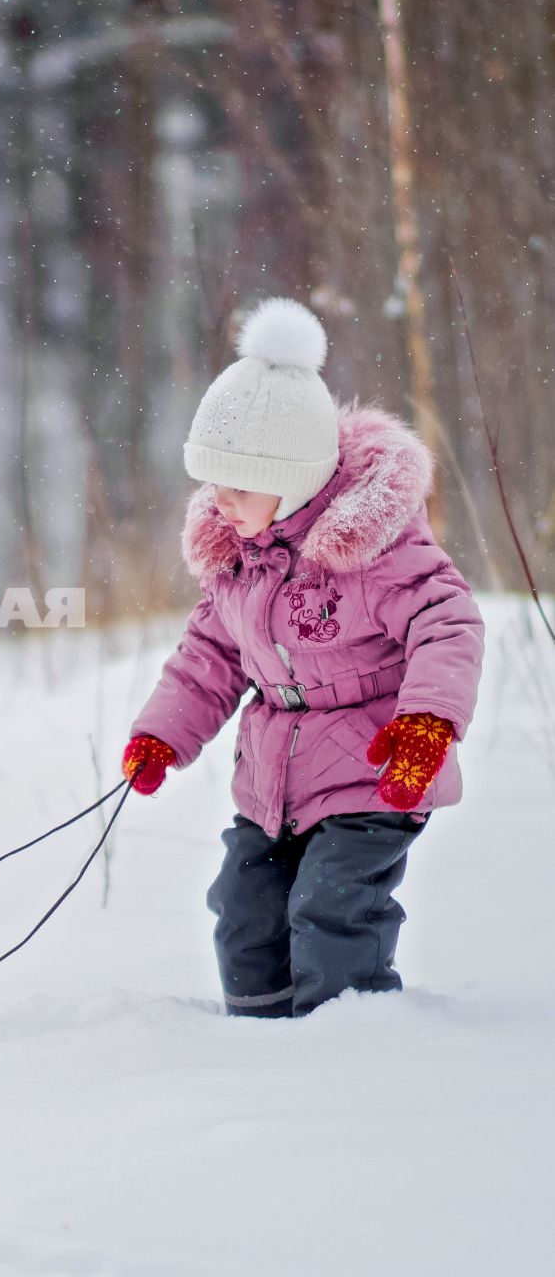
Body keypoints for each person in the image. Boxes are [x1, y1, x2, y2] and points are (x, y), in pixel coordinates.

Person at [121, 297, 485, 1018]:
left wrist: (426, 725)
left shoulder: (376, 552)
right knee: (243, 907)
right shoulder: (239, 564)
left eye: (239, 486)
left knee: (330, 907)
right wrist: (162, 734)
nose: (219, 502)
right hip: (273, 780)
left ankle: (344, 1042)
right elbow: (208, 658)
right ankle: (260, 1035)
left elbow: (446, 625)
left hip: (374, 772)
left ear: (296, 479)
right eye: (212, 484)